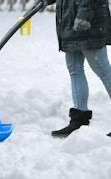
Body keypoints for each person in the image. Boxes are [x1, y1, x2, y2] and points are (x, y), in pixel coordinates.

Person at [36, 0, 111, 137]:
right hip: (69, 19)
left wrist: (84, 15)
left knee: (102, 70)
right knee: (75, 70)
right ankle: (79, 118)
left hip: (89, 21)